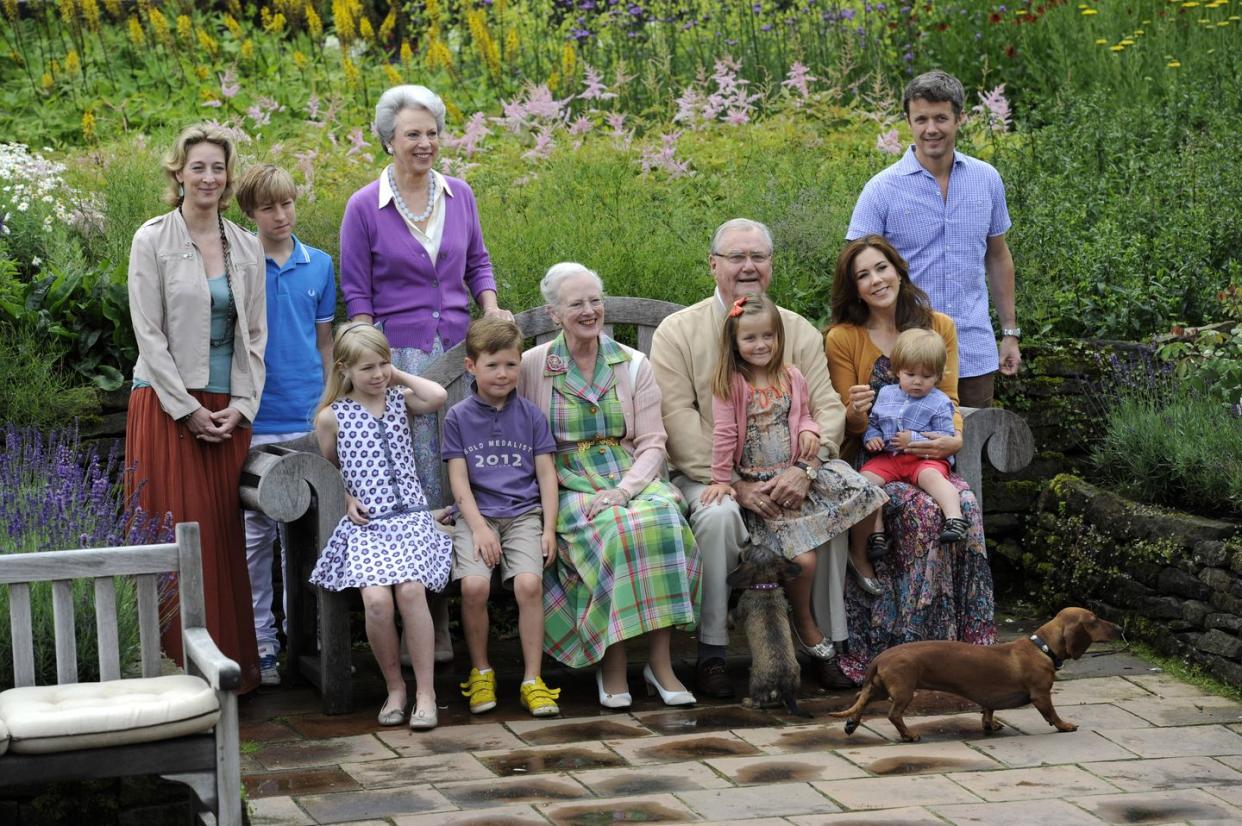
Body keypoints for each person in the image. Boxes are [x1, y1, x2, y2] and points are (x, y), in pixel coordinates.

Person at [650, 218, 876, 696]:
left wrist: (805, 469)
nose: (748, 266)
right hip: (709, 473)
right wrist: (736, 484)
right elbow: (675, 418)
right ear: (714, 265)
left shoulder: (794, 329)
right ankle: (711, 650)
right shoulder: (678, 331)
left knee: (830, 513)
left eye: (758, 257)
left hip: (791, 470)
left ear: (771, 266)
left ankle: (827, 643)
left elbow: (828, 407)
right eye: (736, 257)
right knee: (715, 517)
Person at [339, 83, 510, 659]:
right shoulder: (365, 205)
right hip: (403, 364)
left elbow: (479, 262)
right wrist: (374, 365)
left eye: (432, 132)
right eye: (413, 133)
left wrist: (489, 308)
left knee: (453, 474)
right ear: (389, 140)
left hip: (457, 358)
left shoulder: (459, 194)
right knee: (415, 484)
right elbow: (357, 294)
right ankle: (426, 626)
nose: (425, 142)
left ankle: (448, 618)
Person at [518, 262, 700, 709]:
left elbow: (654, 443)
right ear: (554, 313)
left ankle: (660, 665)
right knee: (615, 531)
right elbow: (522, 440)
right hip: (566, 483)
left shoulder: (632, 363)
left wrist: (627, 489)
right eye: (576, 303)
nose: (589, 310)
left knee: (663, 520)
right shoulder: (533, 367)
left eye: (595, 300)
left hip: (628, 474)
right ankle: (612, 662)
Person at [125, 123, 266, 694]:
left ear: (228, 178)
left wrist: (241, 406)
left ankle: (229, 674)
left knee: (220, 539)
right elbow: (148, 334)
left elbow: (255, 335)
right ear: (177, 173)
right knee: (175, 532)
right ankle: (170, 677)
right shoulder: (151, 239)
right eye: (197, 167)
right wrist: (185, 409)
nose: (208, 177)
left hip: (224, 412)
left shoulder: (246, 245)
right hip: (166, 407)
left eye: (218, 168)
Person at [825, 235, 996, 685]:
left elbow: (952, 403)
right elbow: (845, 425)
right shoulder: (843, 338)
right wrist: (857, 414)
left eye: (881, 268)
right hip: (875, 458)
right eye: (863, 275)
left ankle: (962, 645)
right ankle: (901, 645)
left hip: (930, 457)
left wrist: (951, 443)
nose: (876, 280)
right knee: (919, 511)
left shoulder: (939, 326)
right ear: (854, 289)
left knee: (964, 507)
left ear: (898, 270)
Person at [703, 293, 887, 664]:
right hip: (766, 487)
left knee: (867, 490)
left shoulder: (792, 376)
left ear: (778, 337)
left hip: (798, 472)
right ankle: (804, 622)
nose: (761, 345)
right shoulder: (731, 384)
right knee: (803, 563)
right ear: (735, 343)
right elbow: (724, 434)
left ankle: (858, 555)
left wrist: (810, 432)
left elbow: (804, 413)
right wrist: (724, 479)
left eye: (767, 336)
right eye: (750, 338)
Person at [846, 69, 1021, 408]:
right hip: (906, 354)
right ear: (908, 122)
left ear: (960, 118)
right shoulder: (881, 189)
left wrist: (1010, 332)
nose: (931, 129)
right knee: (907, 451)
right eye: (921, 119)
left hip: (973, 348)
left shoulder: (987, 179)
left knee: (970, 448)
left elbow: (998, 256)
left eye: (941, 118)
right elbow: (855, 270)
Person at [308, 324, 453, 730]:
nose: (377, 374)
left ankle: (426, 692)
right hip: (369, 527)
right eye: (368, 368)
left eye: (383, 364)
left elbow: (437, 396)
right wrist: (347, 497)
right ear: (344, 370)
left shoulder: (398, 400)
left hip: (410, 520)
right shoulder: (331, 417)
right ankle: (396, 688)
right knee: (377, 602)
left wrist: (398, 374)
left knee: (409, 590)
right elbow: (331, 468)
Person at [235, 163, 336, 687]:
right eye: (269, 207)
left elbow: (325, 345)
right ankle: (263, 642)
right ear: (249, 213)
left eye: (288, 203)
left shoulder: (319, 265)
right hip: (253, 420)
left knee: (307, 533)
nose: (281, 215)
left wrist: (324, 409)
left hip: (305, 418)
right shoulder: (236, 264)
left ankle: (307, 637)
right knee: (256, 537)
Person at [442, 317, 562, 718]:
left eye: (511, 365)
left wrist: (548, 528)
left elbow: (546, 474)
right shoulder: (458, 417)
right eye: (492, 365)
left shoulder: (530, 416)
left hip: (524, 515)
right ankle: (481, 671)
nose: (503, 373)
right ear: (470, 366)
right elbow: (459, 481)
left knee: (529, 584)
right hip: (478, 517)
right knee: (474, 587)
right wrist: (477, 527)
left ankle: (533, 679)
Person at [859, 328, 968, 547]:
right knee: (865, 480)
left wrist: (915, 439)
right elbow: (873, 423)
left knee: (933, 478)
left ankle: (955, 519)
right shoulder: (886, 394)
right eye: (910, 374)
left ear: (938, 376)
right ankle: (877, 532)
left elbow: (945, 437)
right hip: (890, 458)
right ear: (897, 371)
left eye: (926, 376)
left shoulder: (939, 402)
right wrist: (872, 437)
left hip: (925, 459)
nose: (917, 382)